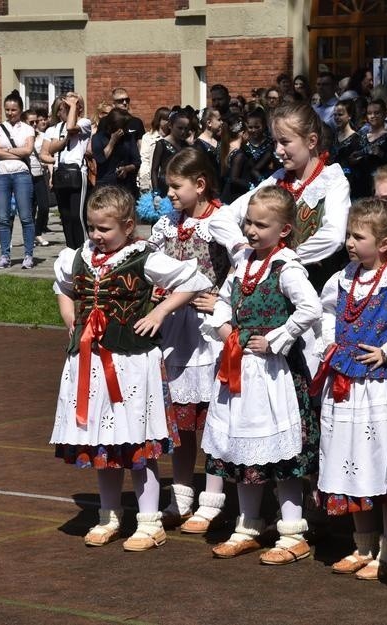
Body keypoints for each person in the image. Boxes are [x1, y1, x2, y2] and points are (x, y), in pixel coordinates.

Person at [50, 185, 211, 551]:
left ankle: (150, 521)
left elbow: (193, 280)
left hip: (131, 363)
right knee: (103, 442)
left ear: (127, 225)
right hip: (89, 365)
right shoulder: (77, 257)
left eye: (104, 229)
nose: (95, 235)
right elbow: (61, 286)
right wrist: (71, 319)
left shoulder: (145, 258)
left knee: (136, 440)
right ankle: (109, 515)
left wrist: (159, 312)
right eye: (92, 227)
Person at [198, 185, 321, 562]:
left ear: (283, 230)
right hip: (238, 373)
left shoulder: (287, 268)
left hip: (273, 375)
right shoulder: (244, 263)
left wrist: (278, 338)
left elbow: (310, 308)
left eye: (261, 225)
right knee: (241, 451)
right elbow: (222, 301)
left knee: (281, 459)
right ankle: (248, 523)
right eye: (248, 222)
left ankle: (291, 532)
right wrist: (224, 330)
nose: (251, 230)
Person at [314, 198, 387, 579]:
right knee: (348, 462)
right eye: (348, 235)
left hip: (378, 390)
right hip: (342, 385)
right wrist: (328, 341)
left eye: (358, 237)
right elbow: (325, 311)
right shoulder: (342, 278)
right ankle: (362, 545)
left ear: (386, 244)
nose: (349, 243)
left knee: (379, 466)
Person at [145, 148, 231, 529]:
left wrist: (224, 300)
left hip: (209, 332)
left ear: (200, 184)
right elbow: (148, 263)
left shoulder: (222, 220)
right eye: (167, 187)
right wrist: (152, 287)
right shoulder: (167, 225)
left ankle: (213, 499)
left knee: (213, 418)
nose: (170, 195)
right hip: (176, 331)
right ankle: (181, 496)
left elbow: (244, 264)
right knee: (181, 422)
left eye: (176, 186)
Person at [211, 101, 351, 295]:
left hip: (312, 292)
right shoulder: (277, 180)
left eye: (285, 142)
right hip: (269, 293)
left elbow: (334, 236)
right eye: (275, 142)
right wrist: (241, 246)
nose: (277, 150)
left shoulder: (333, 181)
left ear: (311, 141)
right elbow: (221, 218)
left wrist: (285, 258)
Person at [0, 89, 35, 269]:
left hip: (21, 174)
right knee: (3, 217)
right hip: (1, 175)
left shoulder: (27, 128)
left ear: (20, 110)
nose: (10, 113)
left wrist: (6, 152)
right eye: (7, 109)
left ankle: (28, 255)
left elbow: (28, 150)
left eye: (13, 110)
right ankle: (4, 255)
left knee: (25, 216)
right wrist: (16, 152)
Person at [42, 92, 92, 249]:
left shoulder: (84, 122)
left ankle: (84, 249)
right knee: (65, 216)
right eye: (62, 108)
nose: (60, 112)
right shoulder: (55, 128)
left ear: (77, 108)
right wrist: (65, 139)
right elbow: (50, 149)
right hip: (61, 173)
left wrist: (73, 107)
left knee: (77, 216)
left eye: (66, 108)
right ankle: (71, 249)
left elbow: (71, 127)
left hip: (77, 173)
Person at [350, 99, 387, 198]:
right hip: (359, 188)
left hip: (378, 189)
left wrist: (381, 154)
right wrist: (352, 161)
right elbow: (351, 161)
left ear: (384, 114)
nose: (373, 116)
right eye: (369, 113)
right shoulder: (360, 137)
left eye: (377, 113)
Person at [91, 108, 141, 197]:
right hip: (105, 186)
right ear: (113, 126)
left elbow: (137, 161)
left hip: (126, 186)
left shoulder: (128, 138)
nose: (126, 129)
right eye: (123, 126)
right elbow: (100, 159)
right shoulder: (98, 138)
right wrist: (112, 141)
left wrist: (126, 168)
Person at [22, 108, 51, 248]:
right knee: (30, 208)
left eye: (36, 121)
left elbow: (48, 154)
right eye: (31, 122)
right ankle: (31, 236)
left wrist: (50, 172)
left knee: (44, 206)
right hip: (26, 175)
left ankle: (37, 232)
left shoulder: (42, 136)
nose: (34, 124)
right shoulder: (20, 137)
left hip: (39, 175)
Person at [151, 106, 192, 198]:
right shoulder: (161, 144)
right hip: (165, 186)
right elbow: (154, 170)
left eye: (186, 128)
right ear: (170, 125)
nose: (183, 131)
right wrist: (156, 191)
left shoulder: (186, 145)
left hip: (181, 186)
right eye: (180, 128)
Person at [330, 99, 364, 199]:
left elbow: (360, 167)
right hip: (333, 181)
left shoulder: (356, 139)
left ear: (349, 116)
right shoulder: (334, 135)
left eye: (340, 114)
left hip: (350, 185)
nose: (336, 118)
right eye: (335, 115)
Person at [138, 106, 170, 195]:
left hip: (168, 181)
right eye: (166, 119)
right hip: (151, 181)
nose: (169, 122)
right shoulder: (148, 137)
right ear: (159, 121)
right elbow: (145, 160)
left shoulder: (172, 138)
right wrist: (144, 183)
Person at [242, 107, 277, 187]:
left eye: (257, 127)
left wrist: (264, 183)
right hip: (247, 181)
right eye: (250, 127)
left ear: (264, 126)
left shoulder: (269, 143)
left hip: (264, 179)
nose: (253, 130)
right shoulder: (244, 143)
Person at [193, 107, 222, 182]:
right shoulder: (198, 145)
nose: (221, 122)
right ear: (209, 123)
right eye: (219, 120)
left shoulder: (218, 140)